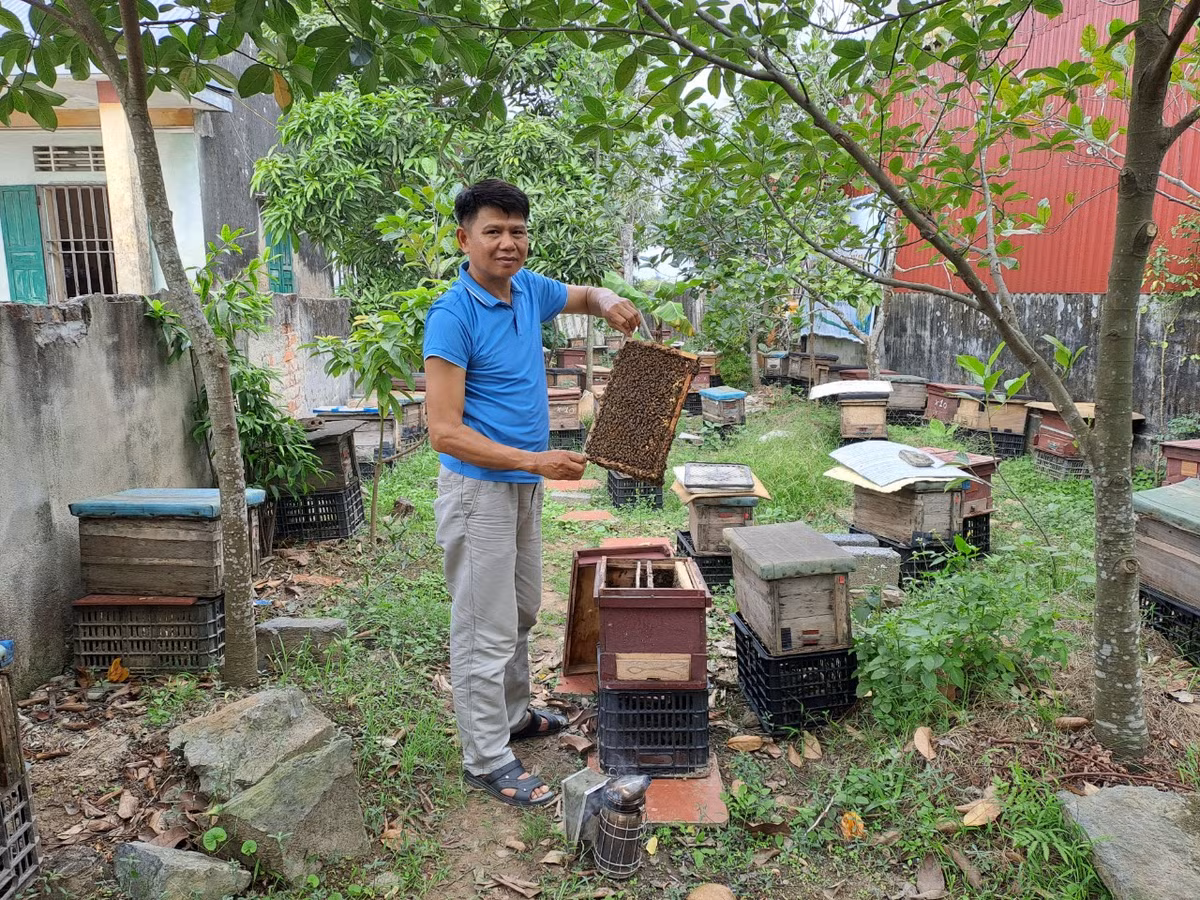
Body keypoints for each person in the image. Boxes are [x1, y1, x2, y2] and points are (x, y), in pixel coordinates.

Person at [423, 180, 642, 807]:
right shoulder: (452, 315)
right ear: (465, 239)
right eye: (493, 231)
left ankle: (514, 717)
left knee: (519, 613)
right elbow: (443, 430)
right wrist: (535, 460)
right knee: (482, 627)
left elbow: (580, 294)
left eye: (517, 230)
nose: (507, 242)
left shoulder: (528, 291)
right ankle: (485, 757)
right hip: (478, 491)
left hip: (521, 487)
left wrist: (607, 298)